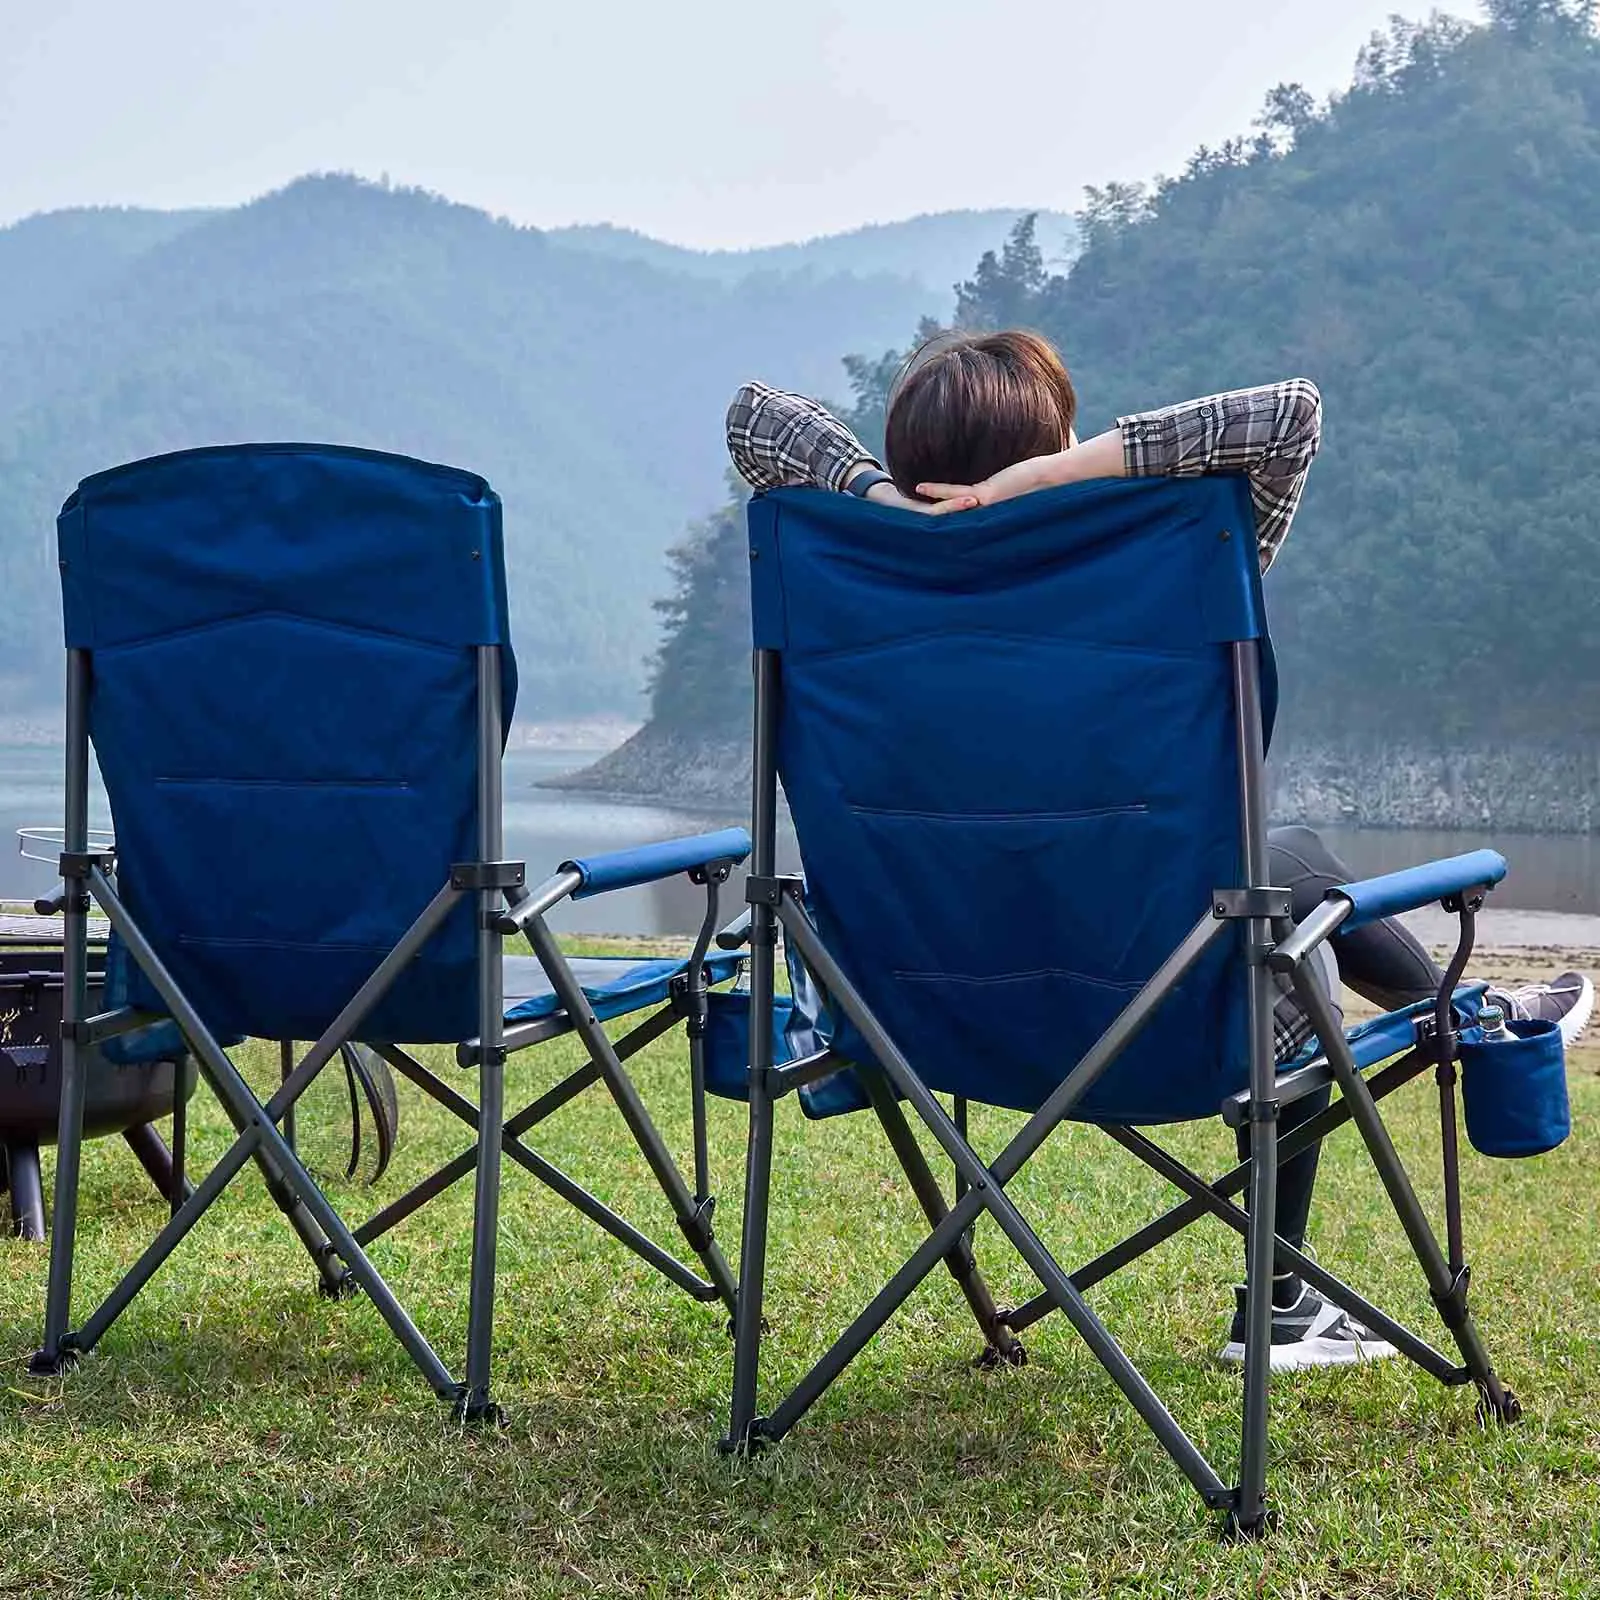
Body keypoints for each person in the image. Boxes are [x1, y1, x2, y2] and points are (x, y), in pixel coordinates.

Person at [726, 328, 1594, 1372]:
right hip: (1169, 1021)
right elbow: (1289, 415)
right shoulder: (1163, 555)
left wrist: (877, 500)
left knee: (1293, 855)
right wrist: (1054, 479)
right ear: (1048, 446)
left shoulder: (845, 587)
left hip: (917, 1024)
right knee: (1291, 917)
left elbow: (754, 417)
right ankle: (1293, 1281)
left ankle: (1468, 1018)